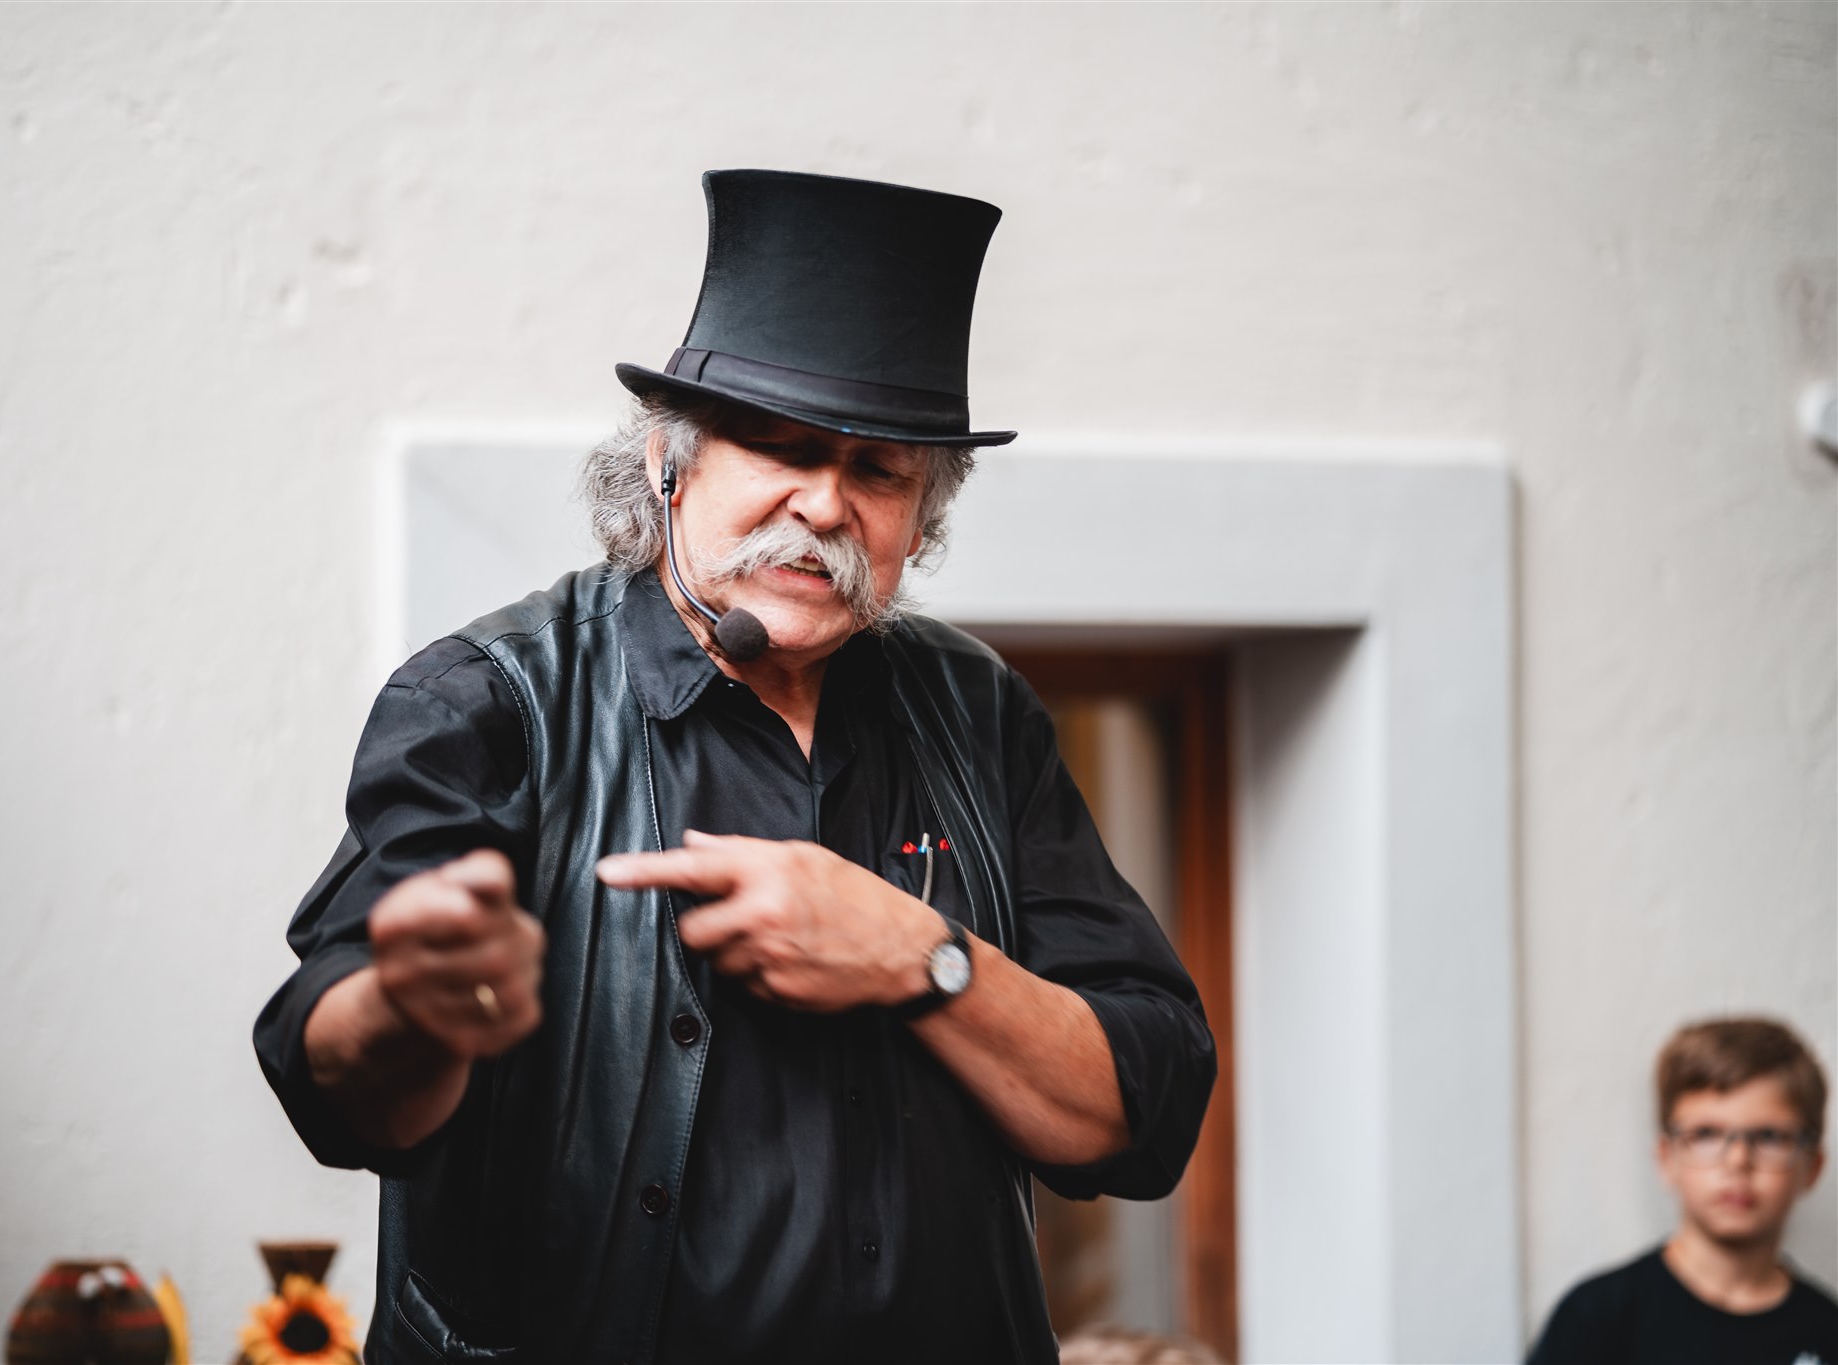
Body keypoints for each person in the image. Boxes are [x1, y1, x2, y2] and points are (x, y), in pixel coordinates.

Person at [254, 169, 1216, 1364]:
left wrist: (918, 956)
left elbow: (1144, 1113)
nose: (824, 502)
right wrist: (413, 1002)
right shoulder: (488, 701)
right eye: (780, 446)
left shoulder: (979, 710)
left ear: (921, 517)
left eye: (878, 471)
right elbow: (335, 1085)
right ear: (670, 461)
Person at [1527, 1016, 1838, 1364]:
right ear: (1666, 1158)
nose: (1737, 1160)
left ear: (1813, 1167)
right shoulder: (1595, 1318)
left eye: (1769, 1137)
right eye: (1706, 1134)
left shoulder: (1827, 1333)